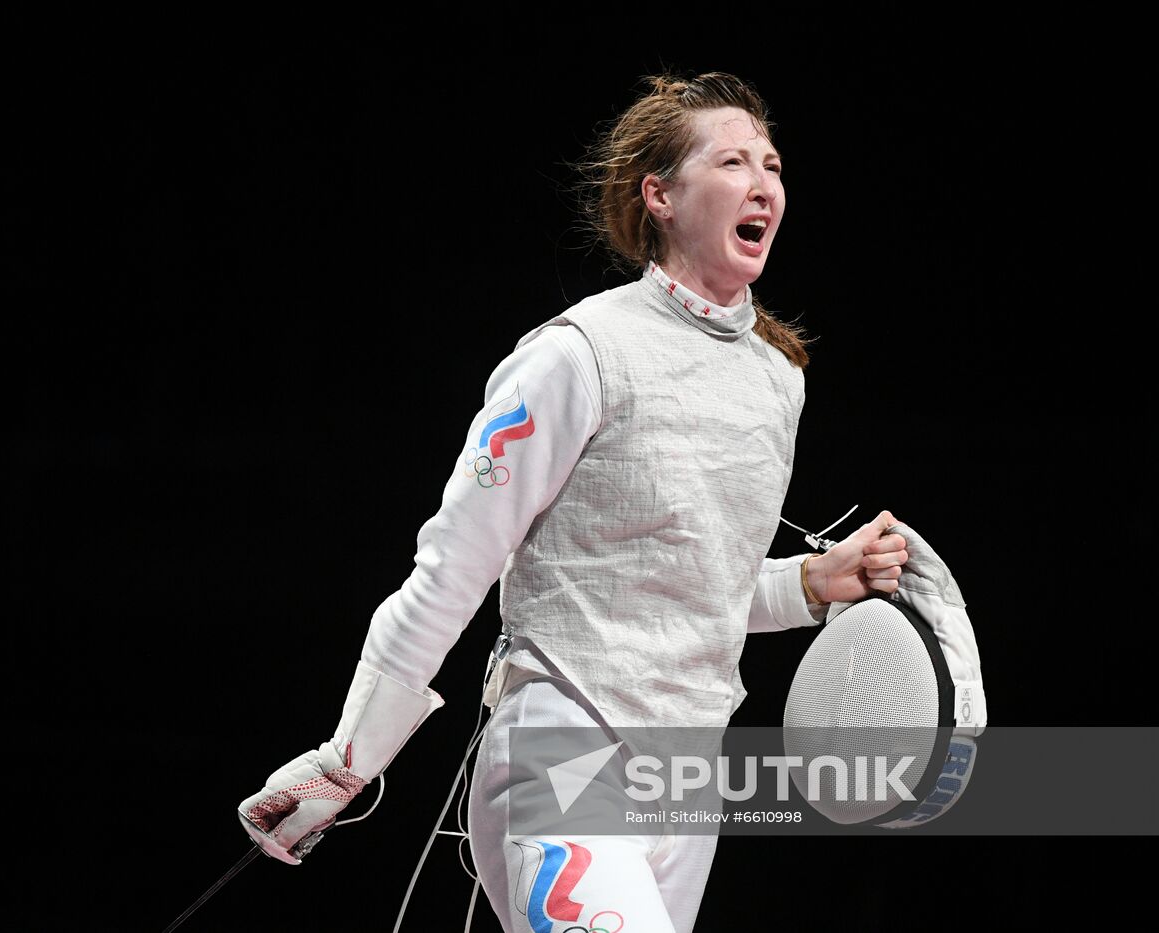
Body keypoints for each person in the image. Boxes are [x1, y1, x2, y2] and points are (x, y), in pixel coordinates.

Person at [238, 72, 910, 931]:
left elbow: (685, 586)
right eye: (733, 161)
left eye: (771, 165)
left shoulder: (777, 382)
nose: (761, 184)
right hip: (565, 752)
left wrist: (811, 582)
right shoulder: (579, 355)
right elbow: (453, 567)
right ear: (659, 195)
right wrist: (347, 759)